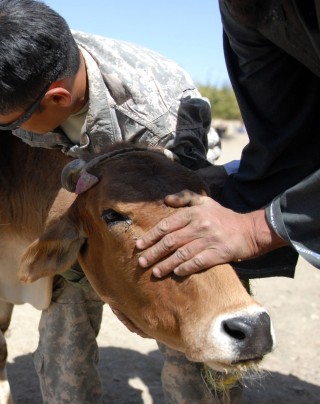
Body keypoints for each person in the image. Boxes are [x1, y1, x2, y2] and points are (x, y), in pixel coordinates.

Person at [0, 0, 223, 404]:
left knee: (192, 347)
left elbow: (200, 201)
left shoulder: (162, 112)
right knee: (60, 345)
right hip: (78, 222)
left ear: (56, 99)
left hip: (157, 228)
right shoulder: (11, 82)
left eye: (7, 125)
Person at [137, 0, 320, 279]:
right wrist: (229, 191)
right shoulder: (245, 7)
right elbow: (282, 139)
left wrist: (255, 229)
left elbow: (252, 230)